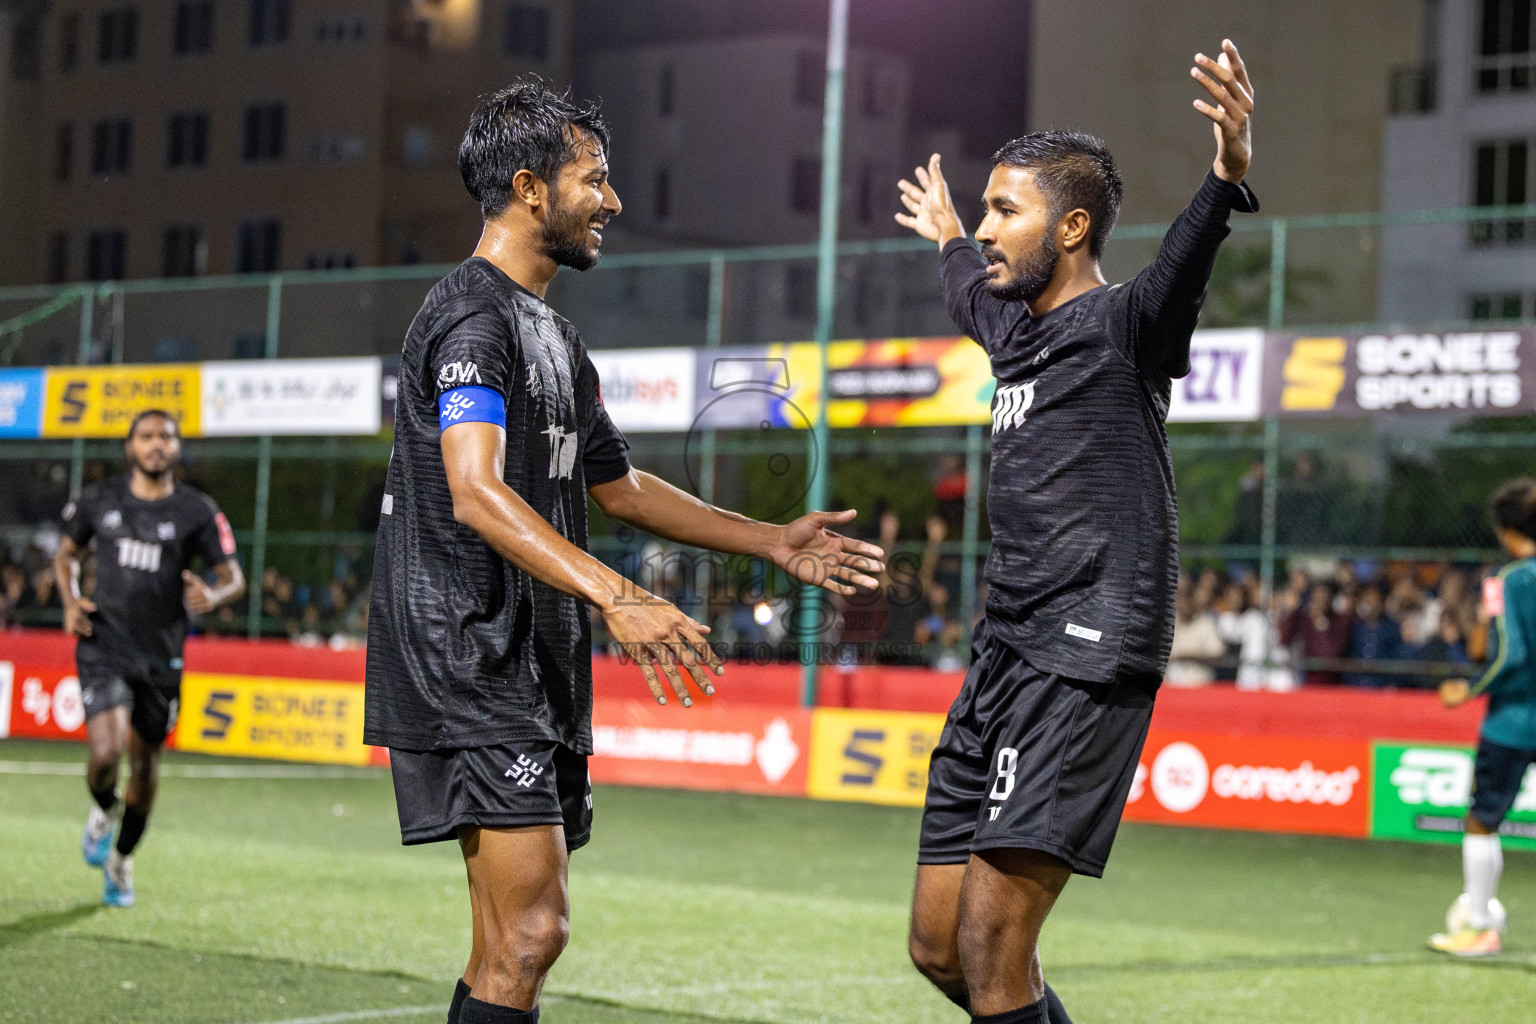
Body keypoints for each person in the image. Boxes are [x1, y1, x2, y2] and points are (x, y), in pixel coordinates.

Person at [363, 78, 885, 1024]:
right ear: (529, 188)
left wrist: (772, 540)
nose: (612, 201)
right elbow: (476, 493)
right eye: (594, 180)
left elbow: (619, 488)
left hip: (529, 652)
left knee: (507, 944)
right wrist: (619, 597)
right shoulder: (473, 319)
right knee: (532, 934)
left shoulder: (555, 334)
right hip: (469, 652)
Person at [894, 39, 1256, 1024]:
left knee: (993, 945)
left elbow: (1183, 265)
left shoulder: (1128, 324)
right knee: (938, 945)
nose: (987, 226)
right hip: (1004, 654)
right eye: (984, 209)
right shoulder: (1012, 332)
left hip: (1086, 655)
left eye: (1006, 209)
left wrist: (1226, 169)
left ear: (1075, 223)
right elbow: (965, 284)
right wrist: (944, 237)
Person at [54, 409, 246, 907]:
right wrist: (72, 601)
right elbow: (66, 554)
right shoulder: (100, 500)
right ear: (130, 446)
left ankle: (120, 861)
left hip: (161, 657)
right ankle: (103, 808)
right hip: (104, 643)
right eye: (146, 436)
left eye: (166, 436)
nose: (156, 444)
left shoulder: (197, 511)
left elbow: (233, 577)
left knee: (145, 768)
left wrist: (214, 594)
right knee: (105, 753)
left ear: (178, 447)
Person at [1429, 478, 1536, 957]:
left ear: (1504, 530)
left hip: (1512, 723)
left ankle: (1478, 926)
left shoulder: (1506, 579)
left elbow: (1508, 653)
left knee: (1482, 821)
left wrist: (1468, 689)